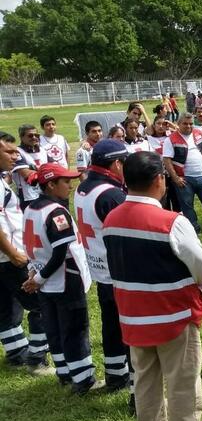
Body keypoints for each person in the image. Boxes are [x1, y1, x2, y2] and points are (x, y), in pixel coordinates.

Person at [102, 151, 202, 421]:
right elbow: (201, 268)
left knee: (145, 382)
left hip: (133, 317)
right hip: (173, 317)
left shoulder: (111, 219)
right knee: (183, 382)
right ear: (160, 179)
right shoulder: (171, 222)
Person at [22, 163, 97, 394]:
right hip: (64, 279)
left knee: (55, 328)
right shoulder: (55, 212)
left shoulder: (31, 208)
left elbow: (33, 247)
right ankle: (83, 379)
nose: (71, 186)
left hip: (44, 281)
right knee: (74, 328)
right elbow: (60, 252)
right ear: (51, 185)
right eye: (65, 182)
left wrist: (35, 274)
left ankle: (64, 372)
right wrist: (41, 277)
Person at [73, 140, 131, 393]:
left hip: (100, 270)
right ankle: (133, 387)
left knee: (111, 325)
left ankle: (115, 375)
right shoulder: (111, 194)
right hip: (118, 272)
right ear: (116, 163)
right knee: (129, 331)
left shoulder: (83, 186)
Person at [0, 131, 50, 374]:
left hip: (5, 256)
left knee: (6, 305)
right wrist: (13, 253)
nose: (15, 155)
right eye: (8, 152)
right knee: (40, 303)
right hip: (9, 256)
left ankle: (16, 351)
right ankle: (36, 359)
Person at [162, 113, 202, 233]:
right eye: (185, 124)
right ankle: (194, 228)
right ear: (178, 124)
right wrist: (176, 178)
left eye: (191, 123)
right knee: (187, 206)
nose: (188, 126)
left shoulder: (199, 133)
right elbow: (167, 160)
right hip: (184, 179)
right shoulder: (170, 139)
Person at [12, 124, 47, 210]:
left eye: (37, 135)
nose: (34, 137)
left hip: (44, 191)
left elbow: (55, 167)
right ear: (21, 137)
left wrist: (36, 171)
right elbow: (26, 174)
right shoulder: (17, 152)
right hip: (28, 195)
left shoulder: (42, 150)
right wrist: (47, 174)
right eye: (30, 135)